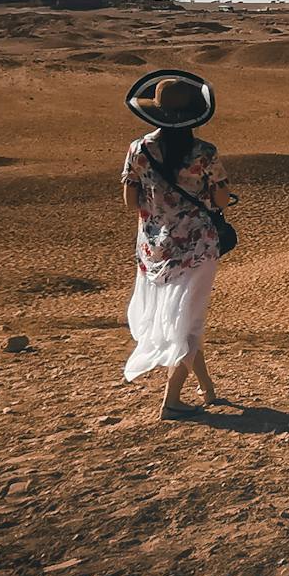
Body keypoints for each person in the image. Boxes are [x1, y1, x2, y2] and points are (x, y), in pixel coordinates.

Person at [120, 74, 234, 418]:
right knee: (191, 320)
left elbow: (129, 200)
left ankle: (207, 388)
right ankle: (171, 400)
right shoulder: (204, 153)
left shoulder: (138, 149)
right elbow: (222, 197)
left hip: (154, 249)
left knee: (182, 317)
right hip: (196, 246)